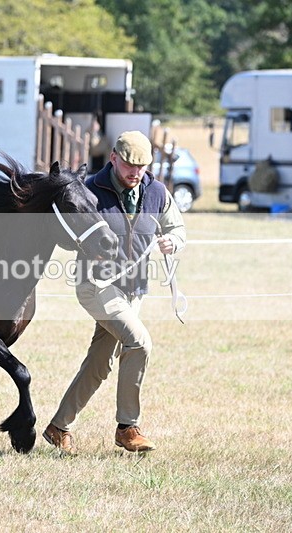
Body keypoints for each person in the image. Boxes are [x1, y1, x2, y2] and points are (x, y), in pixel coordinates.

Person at [43, 130, 186, 455]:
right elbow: (64, 232)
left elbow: (177, 228)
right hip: (96, 285)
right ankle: (127, 427)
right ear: (114, 158)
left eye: (142, 167)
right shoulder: (90, 189)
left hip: (134, 290)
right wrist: (82, 246)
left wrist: (172, 241)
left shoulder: (157, 192)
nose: (135, 173)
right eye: (129, 165)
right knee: (139, 343)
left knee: (100, 361)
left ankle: (58, 427)